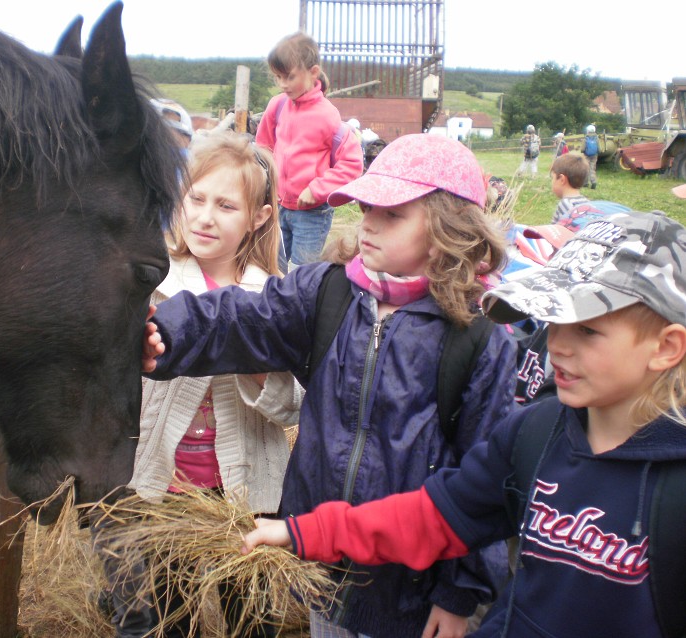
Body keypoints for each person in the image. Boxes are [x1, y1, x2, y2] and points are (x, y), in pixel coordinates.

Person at [241, 208, 686, 638]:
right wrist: (305, 531)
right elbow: (433, 516)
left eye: (587, 330)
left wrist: (457, 594)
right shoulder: (536, 433)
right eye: (554, 320)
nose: (558, 346)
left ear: (667, 347)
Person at [143, 134, 518, 638]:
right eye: (366, 208)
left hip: (410, 591)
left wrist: (458, 594)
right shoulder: (329, 292)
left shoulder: (479, 340)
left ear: (450, 228)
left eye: (392, 214)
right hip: (320, 565)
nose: (368, 224)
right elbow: (239, 318)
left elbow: (486, 478)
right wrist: (164, 333)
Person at [102, 132, 303, 638]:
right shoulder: (150, 285)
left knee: (252, 617)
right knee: (177, 609)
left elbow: (297, 403)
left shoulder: (277, 295)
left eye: (226, 205)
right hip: (170, 489)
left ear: (258, 216)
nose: (204, 217)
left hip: (246, 492)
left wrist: (252, 362)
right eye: (196, 198)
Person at [255, 32, 363, 273]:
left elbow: (352, 165)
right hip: (278, 205)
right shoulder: (278, 105)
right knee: (274, 268)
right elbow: (264, 147)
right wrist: (265, 183)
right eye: (278, 78)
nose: (283, 84)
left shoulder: (328, 117)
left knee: (301, 272)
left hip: (312, 213)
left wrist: (317, 189)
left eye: (290, 77)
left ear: (313, 72)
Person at [549, 153, 590, 224]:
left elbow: (558, 231)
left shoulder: (565, 205)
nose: (551, 182)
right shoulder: (588, 202)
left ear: (562, 179)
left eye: (552, 178)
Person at [581, 124, 599, 189]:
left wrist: (583, 152)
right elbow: (599, 148)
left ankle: (585, 183)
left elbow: (582, 149)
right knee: (592, 169)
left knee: (586, 168)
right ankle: (593, 181)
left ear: (587, 130)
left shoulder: (586, 138)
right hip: (594, 155)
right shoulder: (596, 138)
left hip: (586, 155)